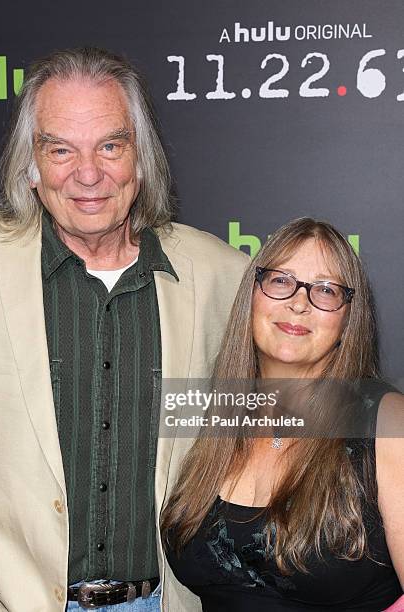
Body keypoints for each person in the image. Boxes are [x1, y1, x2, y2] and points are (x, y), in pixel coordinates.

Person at [0, 48, 248, 611]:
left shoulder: (222, 275)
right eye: (60, 149)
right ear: (32, 165)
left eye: (110, 146)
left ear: (141, 160)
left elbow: (267, 441)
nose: (87, 174)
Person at [162, 218, 404, 611]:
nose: (298, 302)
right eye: (280, 280)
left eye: (325, 290)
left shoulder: (387, 422)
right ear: (251, 296)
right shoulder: (215, 415)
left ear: (347, 319)